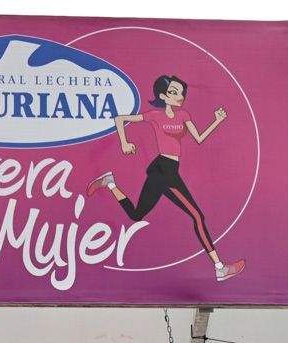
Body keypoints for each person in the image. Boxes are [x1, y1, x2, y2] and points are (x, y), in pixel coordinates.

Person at [86, 75, 244, 282]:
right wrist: (124, 143)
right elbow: (120, 119)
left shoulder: (184, 115)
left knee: (136, 215)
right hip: (164, 169)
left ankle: (110, 183)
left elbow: (199, 138)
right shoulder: (154, 116)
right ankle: (220, 268)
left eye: (181, 93)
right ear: (163, 96)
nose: (180, 96)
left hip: (167, 170)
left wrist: (217, 121)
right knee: (197, 216)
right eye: (173, 92)